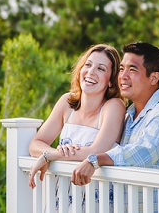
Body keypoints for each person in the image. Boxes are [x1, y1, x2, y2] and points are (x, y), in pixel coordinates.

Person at [69, 41, 159, 186]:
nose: (123, 76)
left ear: (154, 78)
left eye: (132, 70)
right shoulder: (128, 114)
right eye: (121, 68)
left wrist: (95, 160)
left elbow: (144, 152)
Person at [27, 44, 126, 189]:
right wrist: (56, 152)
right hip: (61, 198)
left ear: (111, 81)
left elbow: (97, 151)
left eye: (101, 68)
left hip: (96, 200)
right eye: (88, 65)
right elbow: (35, 144)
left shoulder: (114, 106)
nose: (91, 72)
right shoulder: (67, 102)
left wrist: (50, 156)